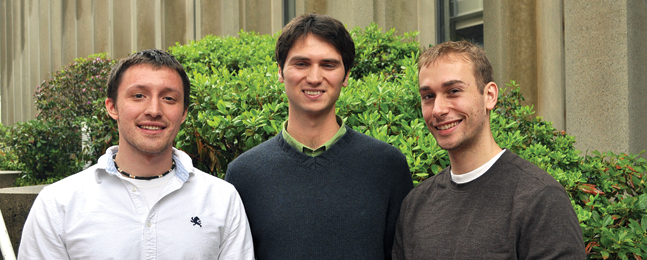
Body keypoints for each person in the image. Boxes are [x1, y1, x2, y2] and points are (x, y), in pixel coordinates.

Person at [18, 49, 254, 259]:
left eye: (169, 98)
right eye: (138, 95)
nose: (154, 110)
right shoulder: (58, 204)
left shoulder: (221, 200)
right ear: (112, 107)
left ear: (183, 113)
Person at [225, 13, 413, 259]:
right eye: (301, 64)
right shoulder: (244, 174)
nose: (314, 78)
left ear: (345, 76)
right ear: (280, 72)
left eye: (328, 65)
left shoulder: (387, 166)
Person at [392, 41, 585, 259]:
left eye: (454, 91)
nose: (438, 109)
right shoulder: (415, 205)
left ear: (490, 96)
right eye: (428, 96)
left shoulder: (539, 199)